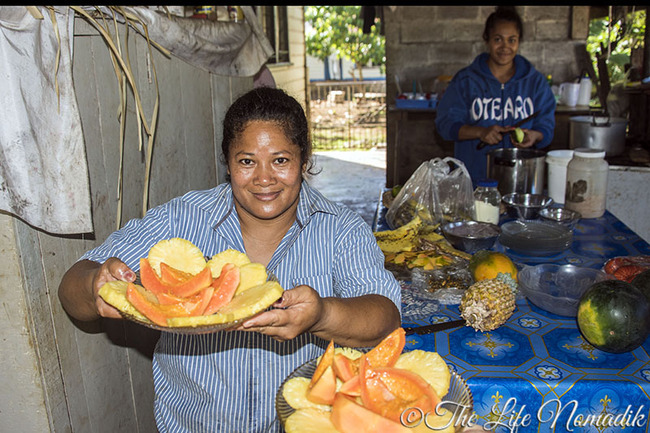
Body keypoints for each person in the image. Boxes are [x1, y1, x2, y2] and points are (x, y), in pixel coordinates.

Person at [58, 87, 401, 432]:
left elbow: (385, 317)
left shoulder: (342, 230)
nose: (264, 178)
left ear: (304, 161)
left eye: (281, 160)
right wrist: (94, 284)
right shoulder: (182, 219)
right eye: (247, 161)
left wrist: (322, 314)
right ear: (228, 162)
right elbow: (74, 286)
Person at [435, 6, 556, 183]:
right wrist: (480, 132)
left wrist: (535, 136)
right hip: (473, 181)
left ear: (519, 41)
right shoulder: (466, 80)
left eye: (512, 40)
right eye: (498, 39)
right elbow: (445, 125)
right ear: (487, 40)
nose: (505, 47)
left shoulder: (535, 82)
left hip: (520, 180)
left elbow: (546, 127)